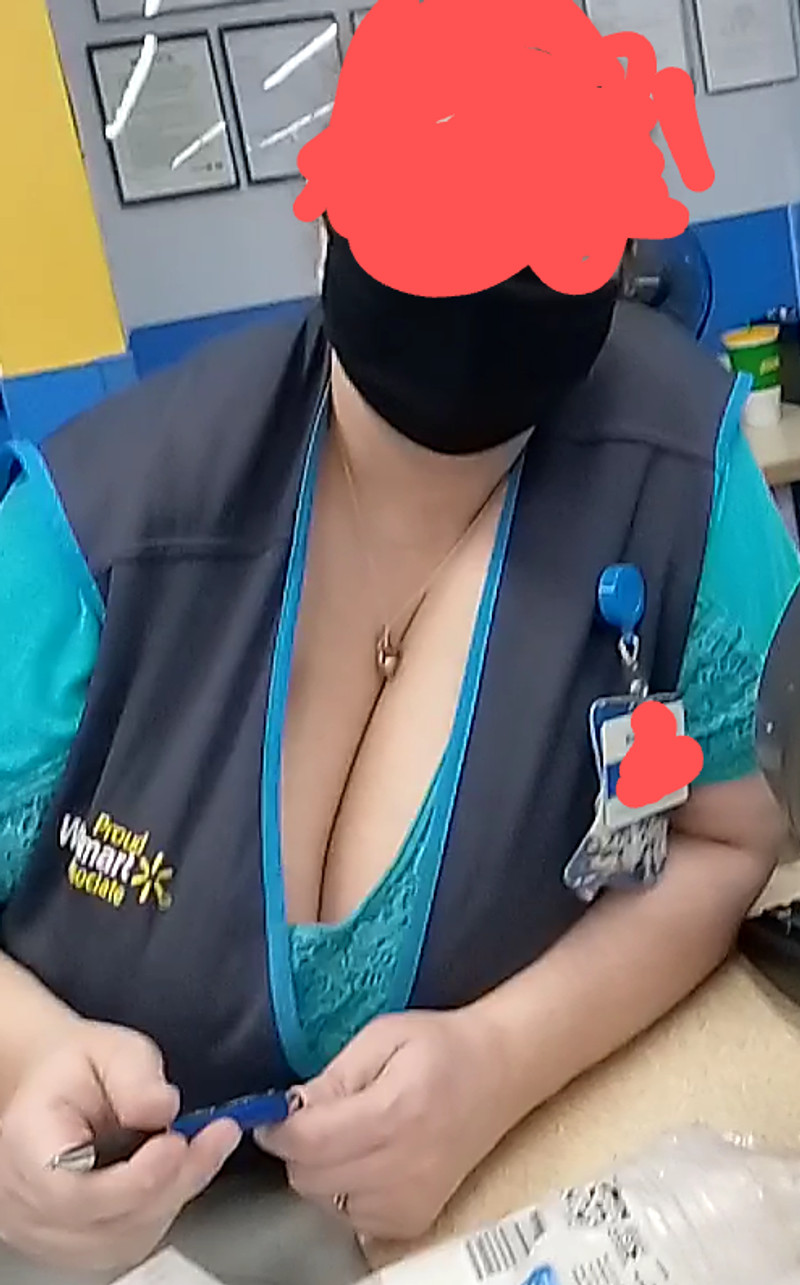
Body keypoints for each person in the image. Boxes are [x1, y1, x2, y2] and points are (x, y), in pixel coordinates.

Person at [0, 221, 795, 1273]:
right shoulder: (93, 529)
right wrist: (24, 1061)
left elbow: (729, 834)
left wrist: (503, 1055)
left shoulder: (685, 476)